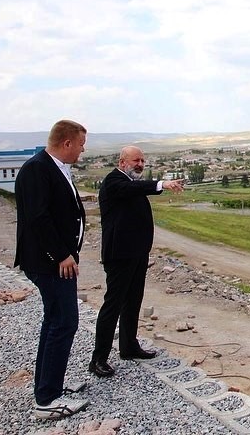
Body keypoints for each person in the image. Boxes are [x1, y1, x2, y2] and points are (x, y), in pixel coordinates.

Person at [14, 119, 89, 419]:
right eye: (81, 145)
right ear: (67, 143)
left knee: (54, 321)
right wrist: (61, 255)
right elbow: (38, 217)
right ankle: (46, 400)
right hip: (49, 263)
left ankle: (50, 385)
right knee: (64, 323)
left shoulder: (53, 167)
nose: (83, 151)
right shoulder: (37, 169)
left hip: (55, 261)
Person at [89, 146, 183, 377]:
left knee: (133, 301)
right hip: (120, 254)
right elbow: (132, 188)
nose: (140, 164)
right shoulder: (114, 181)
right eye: (135, 160)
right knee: (113, 305)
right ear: (122, 162)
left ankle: (129, 346)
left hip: (137, 253)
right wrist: (162, 184)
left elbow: (136, 189)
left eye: (142, 160)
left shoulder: (130, 182)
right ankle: (98, 358)